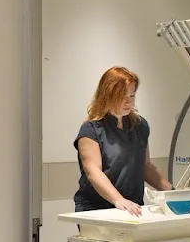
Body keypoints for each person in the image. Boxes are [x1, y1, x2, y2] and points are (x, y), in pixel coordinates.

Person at [74, 66, 173, 217]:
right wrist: (119, 200)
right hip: (97, 209)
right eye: (122, 97)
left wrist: (172, 192)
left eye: (132, 96)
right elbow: (93, 171)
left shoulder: (140, 126)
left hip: (133, 207)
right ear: (107, 95)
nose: (128, 102)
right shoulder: (91, 130)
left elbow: (145, 166)